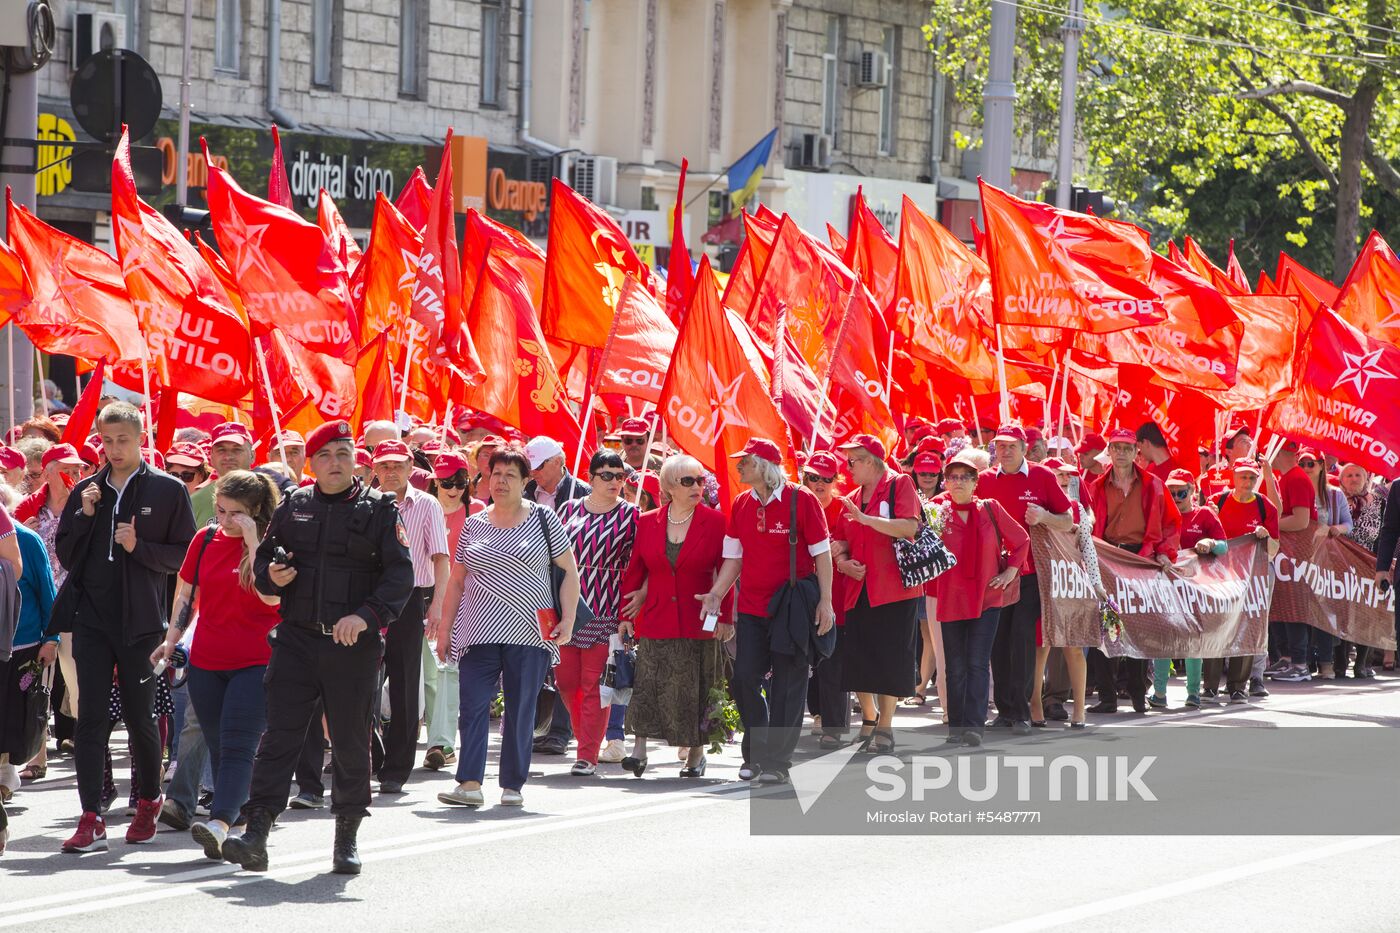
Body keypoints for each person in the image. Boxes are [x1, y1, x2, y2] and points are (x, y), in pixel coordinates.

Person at [221, 419, 413, 876]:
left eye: (342, 454)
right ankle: (257, 833)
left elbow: (400, 576)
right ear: (311, 463)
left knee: (349, 742)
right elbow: (265, 561)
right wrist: (274, 576)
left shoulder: (380, 510)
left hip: (352, 647)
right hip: (297, 639)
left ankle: (346, 835)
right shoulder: (295, 506)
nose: (334, 463)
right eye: (324, 456)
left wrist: (365, 617)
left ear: (354, 459)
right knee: (280, 737)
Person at [53, 402, 196, 853]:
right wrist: (85, 516)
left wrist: (139, 546)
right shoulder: (87, 490)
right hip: (90, 620)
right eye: (107, 440)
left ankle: (149, 800)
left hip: (141, 623)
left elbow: (183, 558)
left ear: (140, 439)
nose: (115, 449)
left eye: (123, 440)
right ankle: (91, 815)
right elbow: (66, 553)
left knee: (140, 719)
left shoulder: (168, 489)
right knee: (90, 720)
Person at [435, 445, 582, 809]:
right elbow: (456, 581)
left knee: (520, 710)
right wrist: (444, 628)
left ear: (525, 480)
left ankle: (512, 785)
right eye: (495, 474)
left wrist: (568, 619)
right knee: (472, 707)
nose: (500, 482)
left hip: (528, 634)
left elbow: (569, 573)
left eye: (509, 476)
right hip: (477, 631)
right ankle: (469, 783)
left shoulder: (545, 520)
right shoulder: (474, 522)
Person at [148, 471, 282, 860]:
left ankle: (219, 821)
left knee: (239, 743)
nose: (224, 520)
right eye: (220, 510)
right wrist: (171, 640)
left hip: (257, 660)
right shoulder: (205, 539)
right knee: (220, 745)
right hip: (207, 659)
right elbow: (186, 593)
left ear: (257, 512)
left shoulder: (274, 544)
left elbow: (270, 598)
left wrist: (254, 539)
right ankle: (238, 824)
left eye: (236, 513)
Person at [700, 438, 834, 785]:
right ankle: (758, 749)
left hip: (792, 605)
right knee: (745, 678)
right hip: (753, 607)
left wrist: (826, 601)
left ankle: (777, 761)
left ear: (763, 465)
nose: (739, 466)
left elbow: (822, 555)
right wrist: (716, 594)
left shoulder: (800, 499)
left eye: (745, 461)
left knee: (789, 684)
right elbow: (734, 558)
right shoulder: (742, 504)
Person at [977, 425, 1073, 735]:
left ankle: (1020, 711)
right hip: (995, 575)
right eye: (1000, 446)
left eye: (1011, 446)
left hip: (1030, 573)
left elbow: (1068, 519)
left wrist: (1044, 516)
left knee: (1021, 641)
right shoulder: (985, 480)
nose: (1005, 451)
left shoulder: (1043, 477)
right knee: (998, 642)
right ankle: (1005, 710)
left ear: (1023, 447)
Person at [830, 435, 922, 755]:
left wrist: (867, 519)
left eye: (852, 461)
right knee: (859, 660)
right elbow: (840, 542)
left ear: (870, 461)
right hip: (859, 589)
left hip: (895, 589)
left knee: (890, 661)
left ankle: (885, 728)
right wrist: (842, 563)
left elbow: (909, 527)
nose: (848, 467)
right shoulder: (853, 496)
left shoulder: (900, 484)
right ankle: (869, 719)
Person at [932, 451, 1028, 746]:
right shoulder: (936, 510)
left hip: (986, 599)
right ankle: (956, 727)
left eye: (965, 477)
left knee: (976, 663)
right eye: (952, 477)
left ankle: (974, 727)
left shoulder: (990, 509)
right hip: (951, 598)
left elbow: (1021, 540)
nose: (958, 482)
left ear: (976, 482)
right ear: (945, 482)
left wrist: (1010, 573)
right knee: (954, 666)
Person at [370, 439, 450, 793]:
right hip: (367, 601)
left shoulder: (427, 504)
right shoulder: (363, 502)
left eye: (398, 465)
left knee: (404, 684)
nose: (391, 472)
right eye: (384, 465)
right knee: (360, 685)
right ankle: (371, 756)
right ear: (374, 468)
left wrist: (437, 607)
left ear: (409, 467)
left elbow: (440, 558)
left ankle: (396, 767)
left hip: (410, 598)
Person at [1085, 428, 1181, 714]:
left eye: (1127, 448)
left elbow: (1171, 524)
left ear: (1136, 451)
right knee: (1105, 627)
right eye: (1117, 448)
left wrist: (1165, 552)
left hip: (1141, 557)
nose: (1122, 453)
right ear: (1110, 451)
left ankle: (1139, 694)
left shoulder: (1153, 483)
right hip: (1106, 556)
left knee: (1139, 628)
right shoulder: (1097, 486)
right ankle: (1107, 697)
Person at [554, 450, 637, 775]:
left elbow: (637, 566)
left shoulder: (631, 514)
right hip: (568, 610)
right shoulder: (568, 509)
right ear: (590, 478)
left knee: (594, 686)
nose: (615, 481)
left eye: (620, 476)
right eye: (607, 475)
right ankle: (585, 737)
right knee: (566, 683)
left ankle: (587, 752)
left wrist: (630, 611)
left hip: (606, 611)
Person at [523, 436, 590, 756]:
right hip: (529, 585)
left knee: (564, 658)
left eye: (539, 466)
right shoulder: (524, 493)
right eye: (530, 467)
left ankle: (561, 731)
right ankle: (530, 726)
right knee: (531, 656)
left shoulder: (583, 493)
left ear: (559, 461)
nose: (533, 473)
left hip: (566, 584)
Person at [1029, 458, 1098, 728]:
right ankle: (1036, 706)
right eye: (1057, 474)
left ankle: (1079, 710)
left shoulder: (1077, 508)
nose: (1063, 479)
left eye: (1067, 475)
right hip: (1042, 583)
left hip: (1070, 583)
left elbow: (1087, 547)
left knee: (1074, 648)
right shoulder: (1035, 506)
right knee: (1040, 648)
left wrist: (1095, 584)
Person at [422, 450, 476, 771]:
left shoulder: (478, 511)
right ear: (435, 483)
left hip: (464, 603)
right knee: (426, 675)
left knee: (447, 672)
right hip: (423, 601)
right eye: (446, 482)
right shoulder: (423, 510)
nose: (454, 489)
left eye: (460, 481)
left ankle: (441, 743)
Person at [1211, 459, 1280, 702]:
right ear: (1233, 476)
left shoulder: (1265, 506)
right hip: (1223, 573)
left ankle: (1256, 677)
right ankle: (1220, 681)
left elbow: (1273, 549)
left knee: (1256, 621)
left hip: (1257, 573)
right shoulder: (1217, 501)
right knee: (1222, 620)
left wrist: (1265, 536)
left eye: (1252, 477)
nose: (1247, 482)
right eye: (1243, 477)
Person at [0, 500, 54, 799]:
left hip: (24, 643)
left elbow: (48, 592)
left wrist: (52, 639)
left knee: (15, 714)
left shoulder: (28, 541)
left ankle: (7, 771)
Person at [1151, 470, 1218, 708]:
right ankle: (1159, 694)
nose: (1176, 497)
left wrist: (1210, 543)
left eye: (1181, 492)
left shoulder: (1205, 515)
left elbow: (1225, 547)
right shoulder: (1159, 515)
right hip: (1165, 587)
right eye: (1171, 492)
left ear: (1193, 491)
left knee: (1192, 640)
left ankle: (1193, 694)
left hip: (1195, 589)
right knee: (1163, 639)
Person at [800, 451, 851, 747]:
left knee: (832, 663)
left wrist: (843, 548)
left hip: (837, 598)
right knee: (804, 663)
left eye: (826, 478)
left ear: (836, 480)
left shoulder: (845, 509)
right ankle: (815, 715)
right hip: (802, 596)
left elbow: (859, 545)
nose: (819, 483)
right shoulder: (795, 505)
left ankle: (833, 727)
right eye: (813, 477)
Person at [1264, 442, 1319, 683]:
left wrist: (1268, 527)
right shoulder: (1286, 477)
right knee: (1280, 603)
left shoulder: (1296, 478)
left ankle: (1299, 664)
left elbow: (1300, 521)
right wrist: (1267, 476)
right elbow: (1277, 510)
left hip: (1297, 554)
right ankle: (1287, 659)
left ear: (1280, 452)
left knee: (1293, 606)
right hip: (1285, 553)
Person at [907, 451, 945, 716]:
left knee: (933, 635)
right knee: (919, 634)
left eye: (933, 473)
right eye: (923, 473)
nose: (928, 478)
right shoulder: (906, 495)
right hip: (914, 574)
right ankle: (914, 687)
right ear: (915, 473)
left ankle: (921, 688)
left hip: (938, 576)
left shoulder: (946, 498)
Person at [1340, 463, 1384, 678]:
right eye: (1348, 475)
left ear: (1366, 479)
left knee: (1367, 613)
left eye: (1358, 475)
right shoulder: (1336, 499)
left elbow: (1381, 533)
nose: (1354, 478)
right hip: (1340, 563)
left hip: (1368, 563)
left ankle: (1362, 663)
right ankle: (1340, 662)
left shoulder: (1378, 502)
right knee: (1343, 612)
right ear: (1341, 480)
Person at [194, 423, 256, 527]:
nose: (228, 457)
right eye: (221, 450)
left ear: (253, 455)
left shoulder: (269, 495)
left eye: (237, 450)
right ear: (211, 456)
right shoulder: (196, 501)